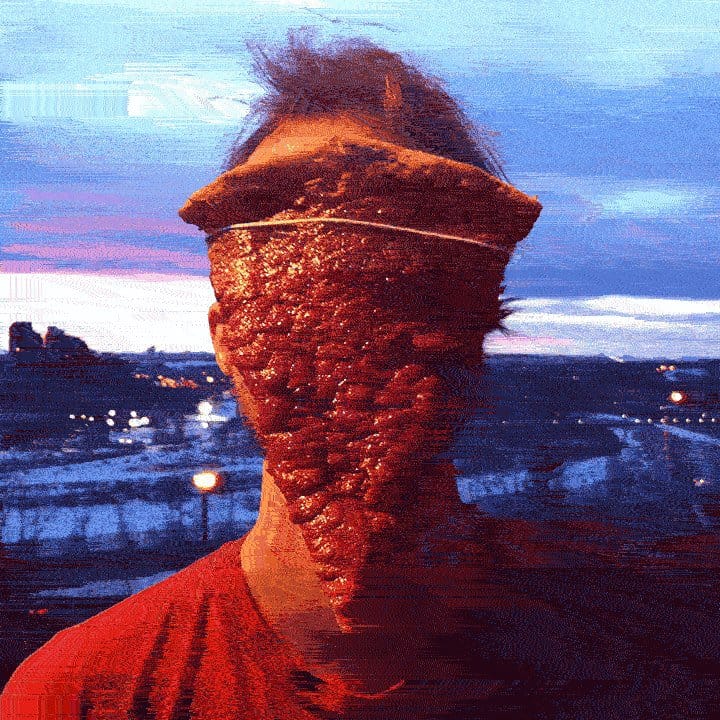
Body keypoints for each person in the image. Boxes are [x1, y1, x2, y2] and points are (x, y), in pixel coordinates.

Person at [3, 36, 720, 720]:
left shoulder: (666, 649)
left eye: (403, 299)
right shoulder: (83, 694)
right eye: (288, 301)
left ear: (473, 331)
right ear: (227, 339)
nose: (346, 335)